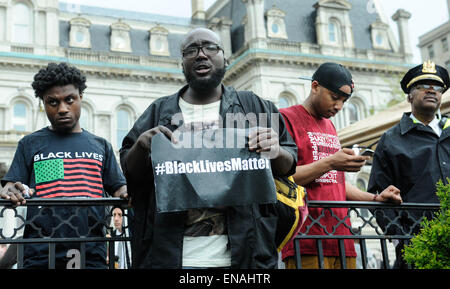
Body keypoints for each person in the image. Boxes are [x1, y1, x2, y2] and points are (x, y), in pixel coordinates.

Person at [119, 28, 297, 269]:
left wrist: (275, 150)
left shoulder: (255, 107)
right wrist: (141, 146)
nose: (201, 54)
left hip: (247, 257)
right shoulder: (159, 112)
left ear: (225, 58)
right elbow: (129, 174)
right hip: (173, 258)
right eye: (191, 50)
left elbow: (289, 164)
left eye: (210, 47)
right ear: (182, 63)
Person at [0, 62, 128, 269]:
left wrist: (127, 193)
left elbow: (118, 187)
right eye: (53, 102)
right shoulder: (30, 144)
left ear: (80, 98)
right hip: (40, 252)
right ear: (43, 103)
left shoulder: (101, 145)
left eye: (69, 100)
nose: (62, 109)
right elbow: (9, 185)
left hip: (90, 250)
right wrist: (10, 189)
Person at [279, 62, 402, 269]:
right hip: (306, 239)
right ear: (315, 86)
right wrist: (331, 162)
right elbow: (284, 180)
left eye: (344, 101)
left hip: (343, 239)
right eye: (335, 98)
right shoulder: (285, 118)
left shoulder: (330, 126)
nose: (339, 107)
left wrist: (375, 198)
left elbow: (336, 185)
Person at [368, 60, 450, 268]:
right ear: (409, 95)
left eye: (437, 87)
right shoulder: (391, 139)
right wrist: (400, 238)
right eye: (423, 85)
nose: (431, 90)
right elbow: (378, 193)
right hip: (418, 243)